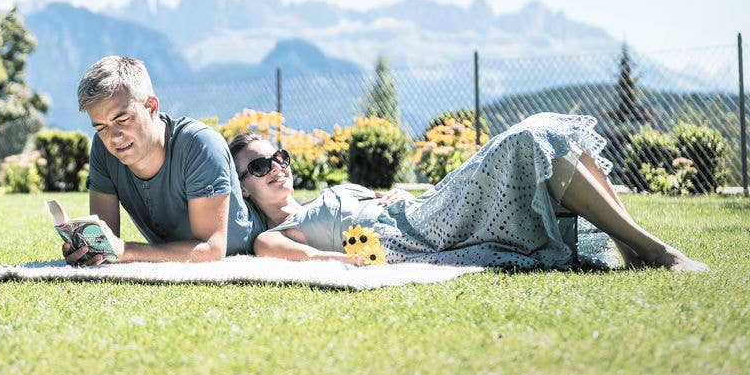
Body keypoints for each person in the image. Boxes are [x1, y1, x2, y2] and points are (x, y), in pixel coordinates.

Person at [231, 112, 708, 271]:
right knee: (529, 140)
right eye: (258, 166)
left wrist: (386, 200)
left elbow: (377, 208)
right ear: (245, 189)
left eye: (280, 158)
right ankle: (655, 251)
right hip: (415, 235)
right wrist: (369, 246)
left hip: (422, 210)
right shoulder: (277, 233)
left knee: (551, 137)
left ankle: (633, 245)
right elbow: (323, 261)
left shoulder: (325, 195)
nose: (275, 167)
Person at [65, 55, 265, 265]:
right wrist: (87, 248)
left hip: (258, 243)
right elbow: (105, 240)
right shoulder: (103, 147)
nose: (113, 137)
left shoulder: (200, 144)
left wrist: (125, 251)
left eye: (122, 120)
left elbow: (212, 249)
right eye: (101, 127)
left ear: (151, 107)